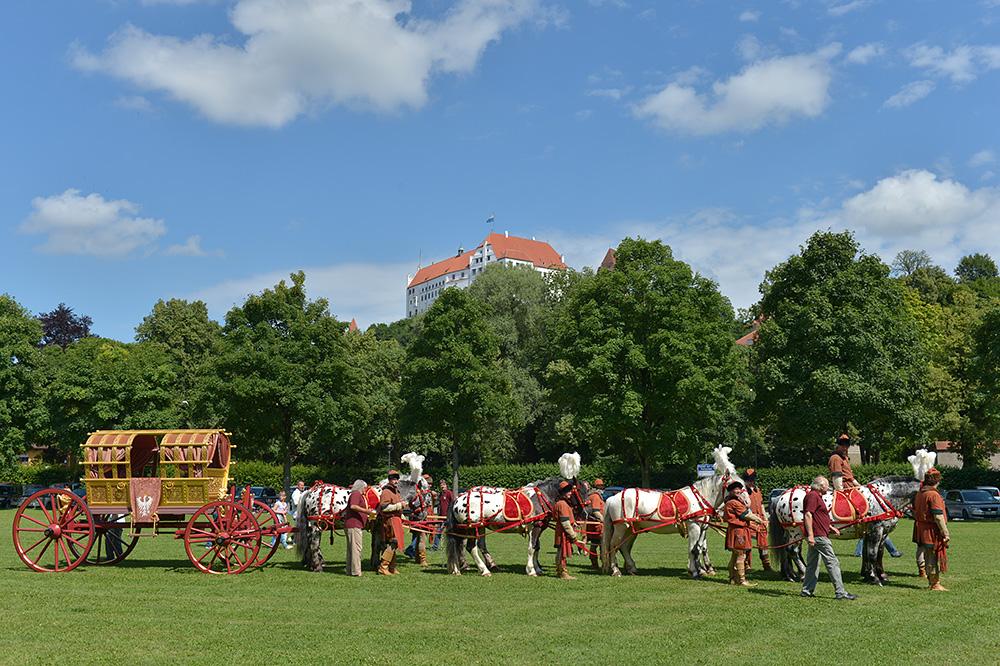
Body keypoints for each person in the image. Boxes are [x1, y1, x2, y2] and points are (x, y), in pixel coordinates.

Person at [801, 475, 856, 600]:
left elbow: (818, 516)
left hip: (817, 535)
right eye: (827, 485)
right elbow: (808, 515)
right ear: (820, 486)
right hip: (818, 536)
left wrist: (830, 528)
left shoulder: (815, 496)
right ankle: (840, 592)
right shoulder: (813, 496)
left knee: (812, 564)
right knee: (832, 562)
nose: (829, 487)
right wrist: (810, 535)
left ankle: (807, 591)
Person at [912, 467, 950, 591]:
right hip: (931, 530)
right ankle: (935, 583)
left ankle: (931, 580)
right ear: (937, 481)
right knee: (932, 556)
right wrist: (945, 532)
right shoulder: (933, 494)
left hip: (921, 528)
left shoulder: (920, 493)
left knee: (928, 555)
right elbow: (938, 516)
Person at [724, 480, 767, 587]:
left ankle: (732, 578)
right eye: (735, 489)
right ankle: (742, 580)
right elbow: (746, 515)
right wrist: (760, 520)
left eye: (739, 489)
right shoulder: (734, 502)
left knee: (735, 556)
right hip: (739, 532)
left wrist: (754, 526)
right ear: (731, 491)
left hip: (737, 530)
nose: (738, 491)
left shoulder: (732, 501)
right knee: (741, 555)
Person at [343, 479, 377, 576]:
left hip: (352, 525)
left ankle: (350, 570)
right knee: (356, 549)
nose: (365, 490)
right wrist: (367, 511)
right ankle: (356, 571)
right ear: (361, 487)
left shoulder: (355, 494)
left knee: (352, 549)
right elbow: (353, 506)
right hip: (354, 525)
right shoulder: (356, 494)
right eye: (364, 488)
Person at [377, 470, 406, 576]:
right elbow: (384, 507)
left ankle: (392, 567)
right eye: (394, 479)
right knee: (393, 542)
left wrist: (402, 515)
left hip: (396, 520)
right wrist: (399, 505)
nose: (396, 481)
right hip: (390, 521)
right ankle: (383, 566)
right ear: (389, 480)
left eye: (397, 479)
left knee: (395, 543)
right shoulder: (386, 492)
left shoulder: (396, 491)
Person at [742, 469, 772, 572]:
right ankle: (747, 564)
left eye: (752, 479)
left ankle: (766, 564)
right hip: (749, 519)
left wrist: (766, 518)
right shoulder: (743, 492)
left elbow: (762, 504)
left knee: (763, 543)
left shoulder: (757, 490)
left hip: (761, 519)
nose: (751, 482)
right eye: (748, 480)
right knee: (747, 544)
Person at [404, 474, 433, 566]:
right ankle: (422, 560)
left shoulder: (420, 492)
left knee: (417, 539)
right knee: (421, 539)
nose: (429, 485)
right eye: (428, 483)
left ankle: (417, 558)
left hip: (418, 517)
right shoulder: (419, 493)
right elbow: (416, 505)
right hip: (419, 518)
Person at [554, 480, 580, 580]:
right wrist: (573, 535)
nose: (570, 493)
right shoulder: (563, 504)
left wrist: (574, 522)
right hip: (563, 533)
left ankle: (560, 571)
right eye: (568, 491)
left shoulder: (562, 503)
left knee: (561, 551)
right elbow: (565, 523)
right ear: (563, 493)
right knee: (562, 552)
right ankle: (563, 573)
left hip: (562, 532)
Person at [585, 478, 606, 569]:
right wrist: (604, 521)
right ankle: (602, 563)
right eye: (601, 486)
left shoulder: (591, 495)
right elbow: (596, 511)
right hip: (598, 525)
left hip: (592, 524)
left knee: (594, 544)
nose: (602, 488)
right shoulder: (596, 497)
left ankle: (595, 563)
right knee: (601, 545)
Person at [433, 480, 454, 550]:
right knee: (438, 532)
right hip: (441, 517)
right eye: (441, 486)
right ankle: (435, 546)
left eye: (443, 485)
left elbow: (453, 503)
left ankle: (452, 546)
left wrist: (450, 514)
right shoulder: (440, 494)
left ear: (446, 485)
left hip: (448, 517)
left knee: (451, 532)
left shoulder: (449, 493)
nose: (442, 487)